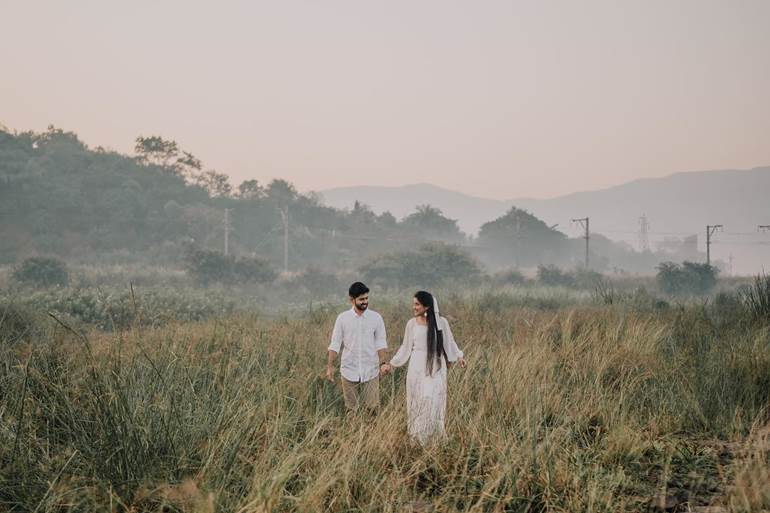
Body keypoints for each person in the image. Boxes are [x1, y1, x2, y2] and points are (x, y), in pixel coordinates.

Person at [380, 290, 467, 444]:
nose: (413, 307)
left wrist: (459, 356)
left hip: (436, 367)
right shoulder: (411, 324)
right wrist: (391, 364)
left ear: (427, 306)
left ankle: (434, 438)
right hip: (416, 367)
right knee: (417, 401)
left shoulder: (442, 323)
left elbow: (450, 342)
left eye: (417, 304)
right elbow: (405, 347)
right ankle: (417, 439)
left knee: (432, 399)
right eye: (413, 304)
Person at [326, 282, 388, 413]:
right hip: (349, 369)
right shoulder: (342, 319)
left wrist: (383, 363)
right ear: (351, 300)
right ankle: (353, 431)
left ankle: (372, 433)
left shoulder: (376, 318)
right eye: (361, 299)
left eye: (366, 298)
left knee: (372, 409)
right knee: (351, 409)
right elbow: (335, 343)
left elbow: (381, 343)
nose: (365, 302)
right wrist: (330, 367)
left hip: (371, 370)